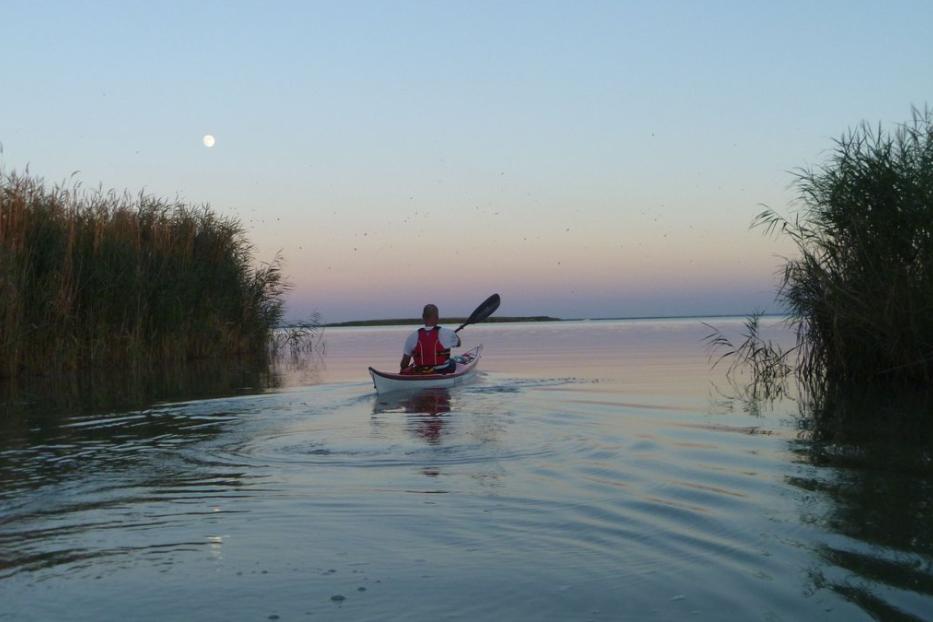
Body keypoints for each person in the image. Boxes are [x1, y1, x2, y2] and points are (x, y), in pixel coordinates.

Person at [400, 304, 461, 374]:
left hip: (420, 371)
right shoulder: (448, 333)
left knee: (414, 366)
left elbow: (404, 364)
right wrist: (454, 335)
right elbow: (458, 343)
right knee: (452, 361)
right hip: (442, 370)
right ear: (437, 318)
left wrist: (404, 370)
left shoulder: (412, 337)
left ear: (423, 317)